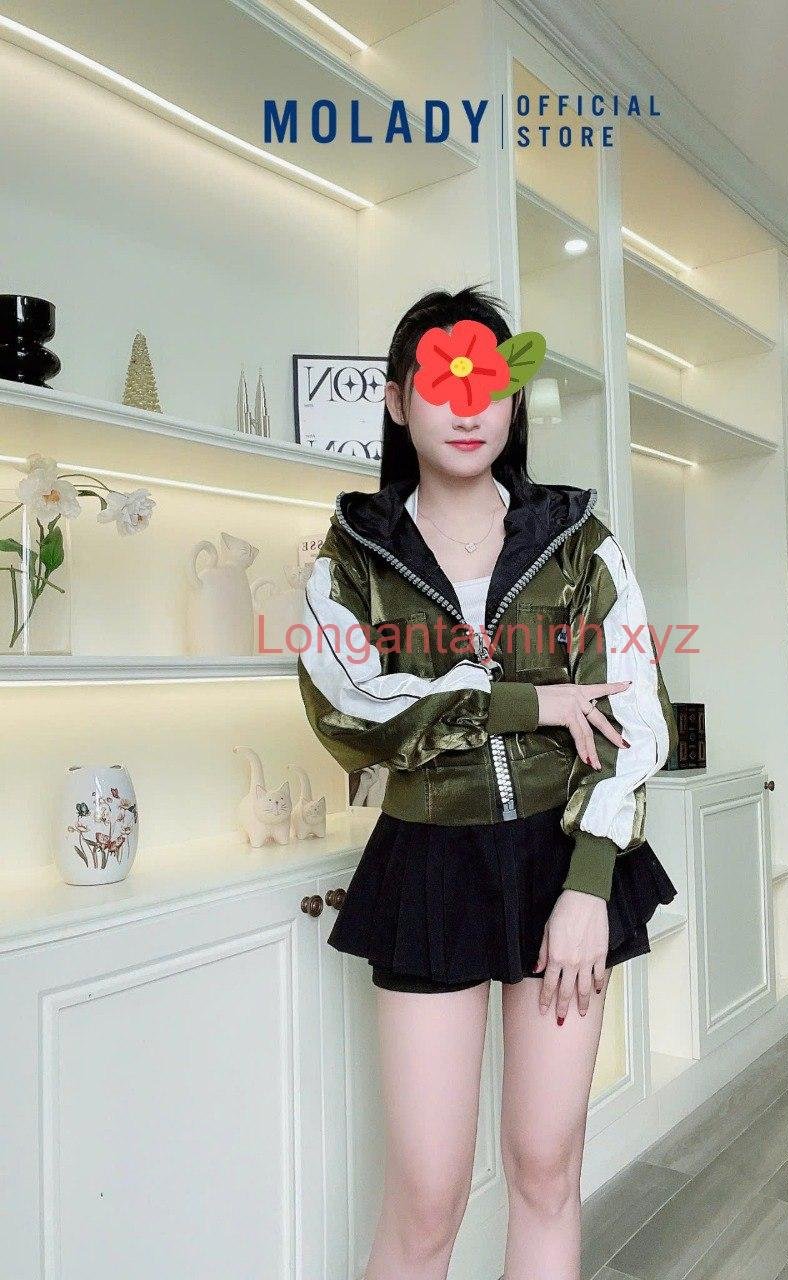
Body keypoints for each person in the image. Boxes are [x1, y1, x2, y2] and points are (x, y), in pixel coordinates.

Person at [297, 285, 678, 1280]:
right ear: (396, 401)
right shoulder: (352, 558)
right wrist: (527, 701)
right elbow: (353, 706)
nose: (467, 406)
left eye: (490, 382)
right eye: (440, 381)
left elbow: (635, 713)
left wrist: (589, 884)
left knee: (546, 1170)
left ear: (513, 398)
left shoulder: (579, 542)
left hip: (564, 854)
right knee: (427, 1197)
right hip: (429, 862)